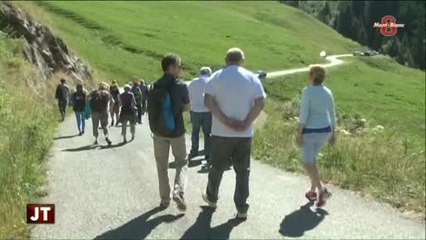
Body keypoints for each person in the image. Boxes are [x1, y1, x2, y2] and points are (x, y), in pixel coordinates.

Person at [202, 48, 266, 220]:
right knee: (242, 171)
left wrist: (224, 120)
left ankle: (212, 198)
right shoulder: (252, 78)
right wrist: (246, 122)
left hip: (220, 132)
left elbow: (208, 100)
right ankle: (241, 208)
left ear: (226, 60)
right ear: (242, 60)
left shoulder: (216, 76)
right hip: (244, 134)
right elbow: (260, 103)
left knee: (216, 167)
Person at [148, 54, 190, 211]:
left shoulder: (154, 86)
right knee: (181, 162)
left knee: (161, 166)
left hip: (158, 132)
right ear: (172, 68)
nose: (180, 69)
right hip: (176, 131)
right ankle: (178, 191)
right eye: (179, 66)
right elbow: (187, 107)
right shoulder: (180, 86)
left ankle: (164, 200)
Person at [296, 65, 336, 208]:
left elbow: (304, 114)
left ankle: (321, 189)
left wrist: (299, 133)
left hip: (310, 131)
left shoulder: (307, 92)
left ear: (311, 76)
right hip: (325, 130)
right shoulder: (328, 92)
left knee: (307, 162)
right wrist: (334, 132)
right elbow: (332, 114)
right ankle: (312, 191)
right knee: (312, 161)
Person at [188, 66, 212, 164]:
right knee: (207, 134)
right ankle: (207, 152)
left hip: (195, 110)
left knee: (195, 132)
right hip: (207, 111)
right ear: (209, 73)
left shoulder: (193, 82)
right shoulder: (211, 82)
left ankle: (194, 150)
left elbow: (189, 96)